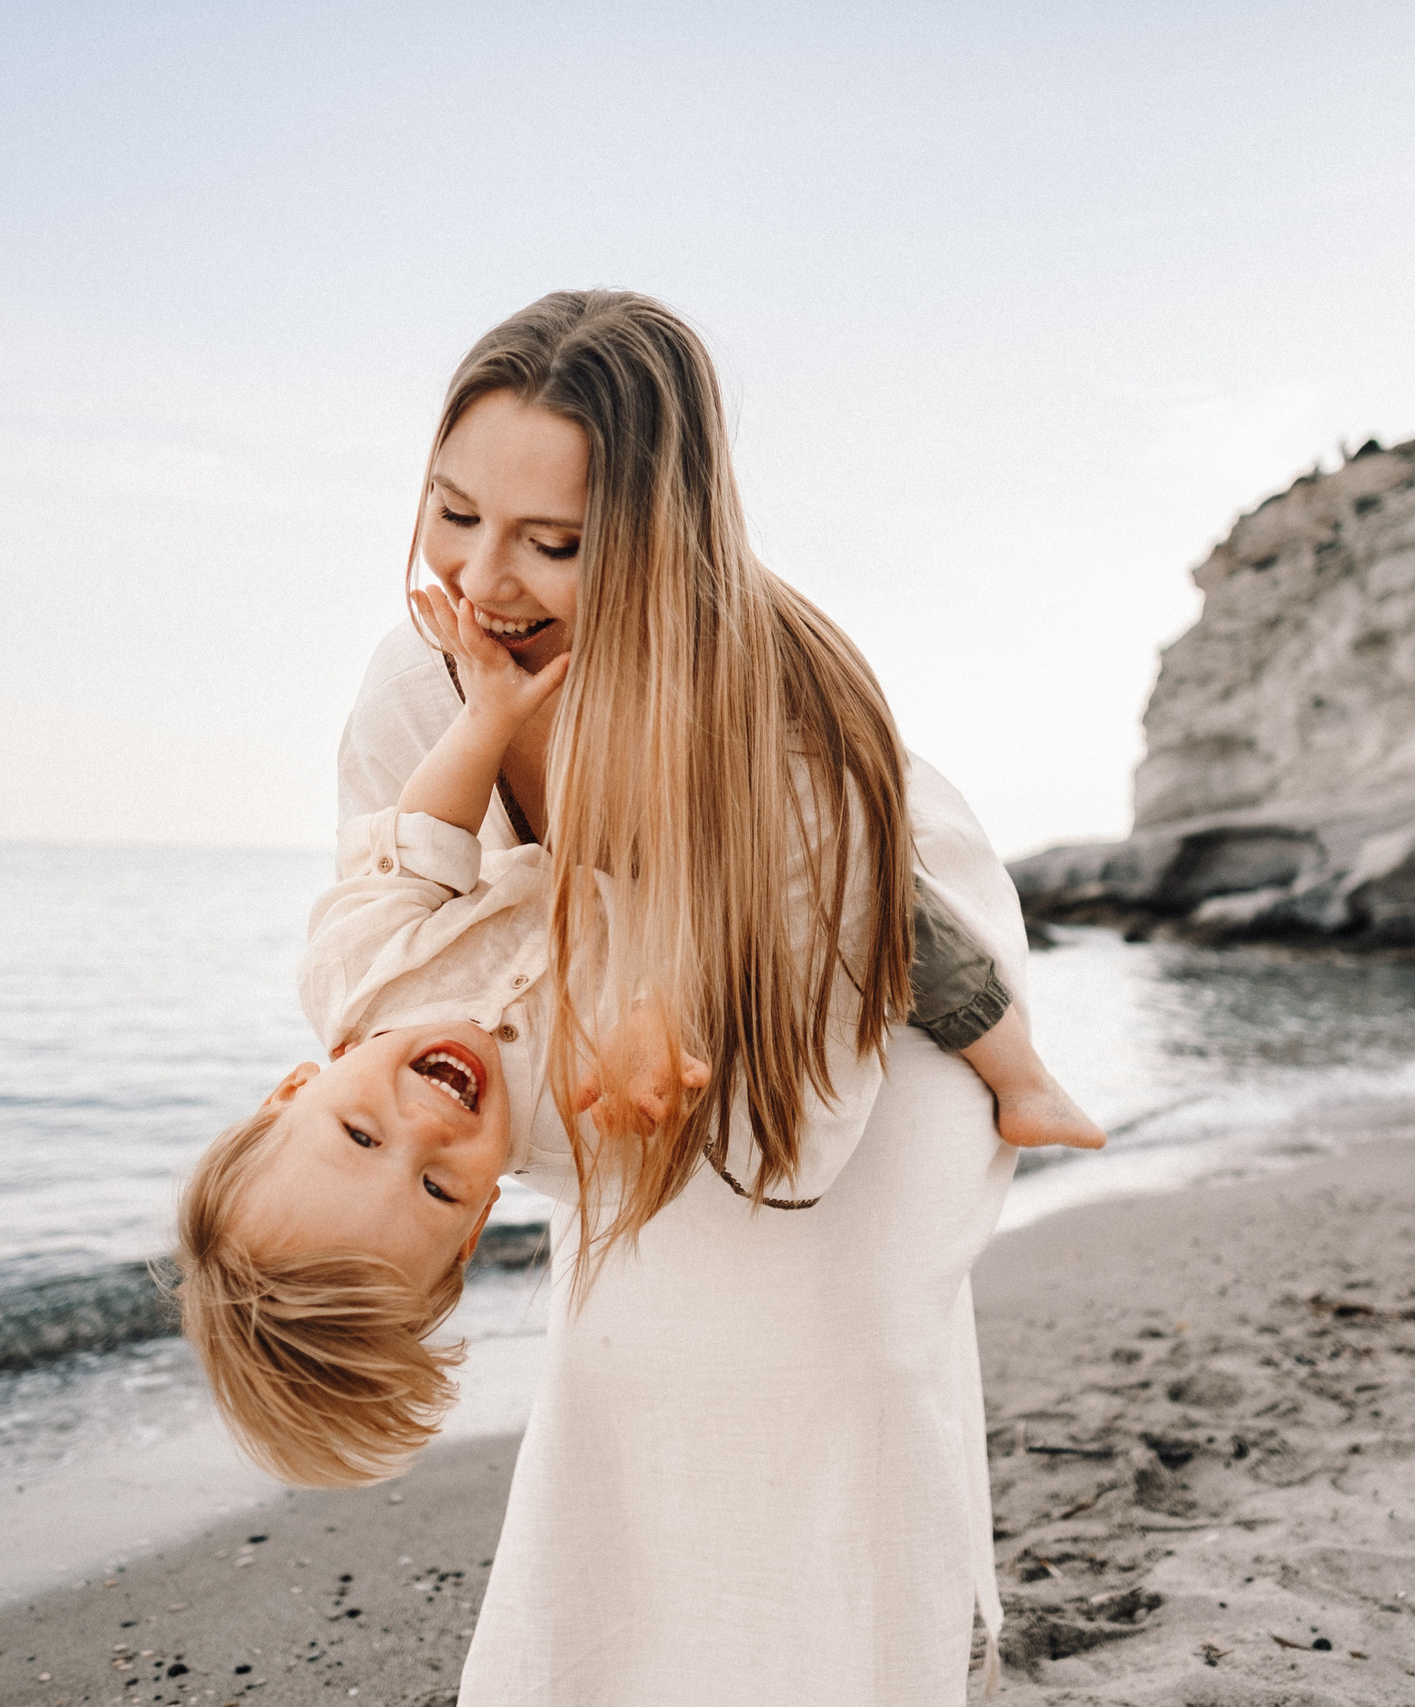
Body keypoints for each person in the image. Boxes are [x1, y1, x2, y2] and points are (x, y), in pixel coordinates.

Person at [202, 290, 1046, 1701]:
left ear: (656, 540)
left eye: (555, 542)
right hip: (643, 1035)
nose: (486, 578)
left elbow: (808, 1083)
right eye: (454, 511)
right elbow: (406, 907)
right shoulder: (418, 693)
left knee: (837, 1327)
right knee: (622, 1344)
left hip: (869, 981)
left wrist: (672, 1013)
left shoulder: (768, 704)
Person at [172, 575, 1105, 1486]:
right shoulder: (590, 1125)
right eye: (436, 1185)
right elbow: (721, 1001)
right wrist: (657, 1019)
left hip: (607, 846)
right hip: (710, 908)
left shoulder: (354, 976)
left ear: (294, 1090)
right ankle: (1019, 1074)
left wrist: (486, 717)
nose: (426, 1122)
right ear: (474, 1228)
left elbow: (419, 840)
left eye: (359, 1133)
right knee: (891, 914)